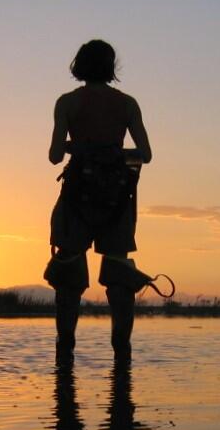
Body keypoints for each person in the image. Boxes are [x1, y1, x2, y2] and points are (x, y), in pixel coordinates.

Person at [46, 40, 152, 367]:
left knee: (68, 274)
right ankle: (122, 353)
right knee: (119, 272)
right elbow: (145, 154)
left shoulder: (67, 103)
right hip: (117, 199)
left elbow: (53, 157)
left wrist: (78, 146)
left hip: (77, 194)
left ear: (79, 65)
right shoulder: (128, 104)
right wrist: (110, 151)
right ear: (111, 67)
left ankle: (65, 352)